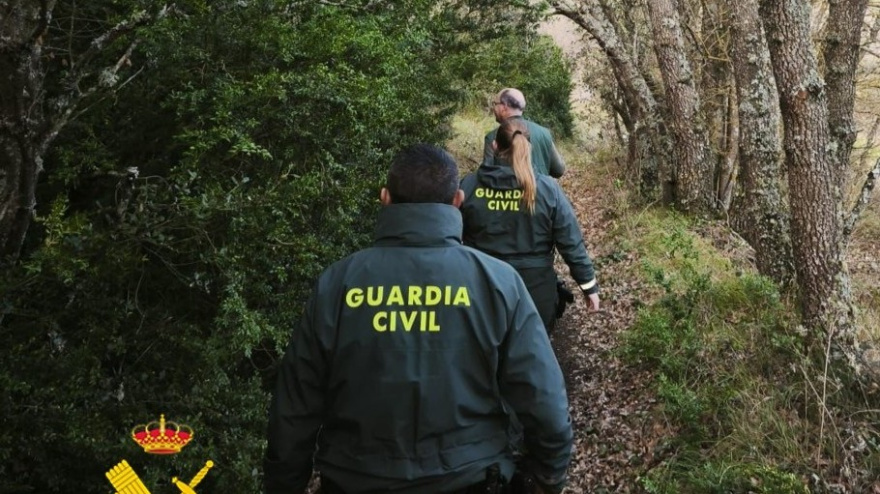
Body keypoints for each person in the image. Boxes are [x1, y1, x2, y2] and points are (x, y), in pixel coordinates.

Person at [264, 144, 573, 494]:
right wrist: (546, 475)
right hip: (471, 479)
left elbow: (295, 405)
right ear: (458, 200)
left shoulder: (337, 284)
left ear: (385, 198)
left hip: (356, 480)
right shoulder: (497, 282)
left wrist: (283, 483)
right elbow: (542, 395)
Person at [461, 118, 600, 334]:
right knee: (533, 358)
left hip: (481, 286)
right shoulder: (546, 189)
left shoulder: (468, 185)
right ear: (529, 147)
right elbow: (570, 241)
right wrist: (588, 286)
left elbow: (448, 235)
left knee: (484, 358)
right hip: (536, 290)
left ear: (494, 146)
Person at [482, 88, 566, 178]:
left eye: (495, 104)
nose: (494, 108)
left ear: (504, 107)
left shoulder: (492, 137)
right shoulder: (544, 133)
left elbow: (487, 175)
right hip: (540, 191)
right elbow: (559, 170)